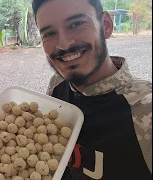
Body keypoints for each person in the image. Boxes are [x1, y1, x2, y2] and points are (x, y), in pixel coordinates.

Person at [32, 0, 152, 179]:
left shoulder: (145, 110)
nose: (63, 45)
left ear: (106, 25)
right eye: (49, 33)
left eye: (76, 24)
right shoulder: (57, 84)